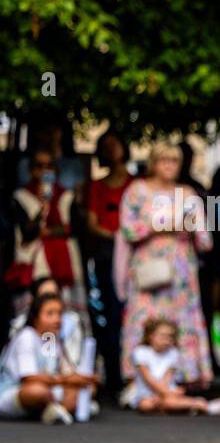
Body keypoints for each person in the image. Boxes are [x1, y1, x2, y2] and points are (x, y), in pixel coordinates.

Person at [118, 143, 213, 391]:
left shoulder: (188, 193)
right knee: (144, 316)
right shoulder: (137, 190)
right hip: (148, 266)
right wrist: (162, 225)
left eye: (174, 161)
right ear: (154, 163)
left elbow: (205, 239)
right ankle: (137, 376)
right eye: (164, 161)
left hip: (180, 268)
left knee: (181, 317)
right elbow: (128, 229)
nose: (170, 166)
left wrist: (191, 228)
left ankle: (184, 375)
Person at [8, 147, 89, 336]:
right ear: (30, 170)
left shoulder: (67, 197)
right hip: (37, 269)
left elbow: (76, 229)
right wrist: (43, 206)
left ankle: (63, 361)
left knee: (68, 318)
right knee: (39, 315)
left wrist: (50, 230)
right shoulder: (20, 197)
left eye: (50, 166)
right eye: (39, 166)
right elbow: (27, 231)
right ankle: (39, 359)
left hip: (66, 267)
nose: (45, 171)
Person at [80, 130, 132, 399]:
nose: (112, 150)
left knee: (130, 314)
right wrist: (119, 235)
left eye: (116, 144)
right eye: (106, 146)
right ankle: (113, 373)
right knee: (109, 313)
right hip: (107, 254)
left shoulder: (137, 185)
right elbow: (91, 223)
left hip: (133, 257)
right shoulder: (97, 187)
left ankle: (133, 373)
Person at [0, 293, 96, 424]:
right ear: (36, 317)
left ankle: (54, 410)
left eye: (59, 314)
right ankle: (60, 409)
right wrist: (67, 380)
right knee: (37, 391)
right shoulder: (26, 337)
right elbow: (29, 378)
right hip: (14, 392)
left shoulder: (49, 339)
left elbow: (50, 373)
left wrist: (80, 379)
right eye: (50, 314)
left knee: (84, 388)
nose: (57, 319)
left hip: (46, 389)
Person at [125, 318, 220, 415]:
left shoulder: (173, 353)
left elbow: (167, 378)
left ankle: (201, 405)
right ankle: (192, 405)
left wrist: (164, 393)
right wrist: (164, 393)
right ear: (150, 336)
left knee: (165, 402)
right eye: (162, 336)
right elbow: (148, 379)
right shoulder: (140, 352)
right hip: (147, 392)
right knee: (146, 405)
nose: (166, 340)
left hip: (167, 391)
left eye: (170, 337)